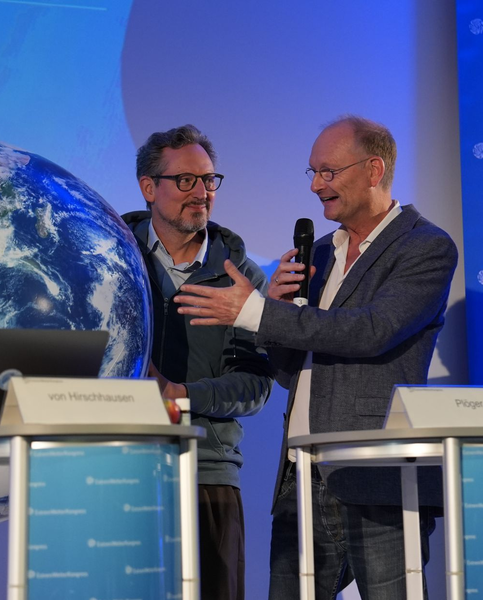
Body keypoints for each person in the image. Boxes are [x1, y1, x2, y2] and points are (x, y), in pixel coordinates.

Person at [174, 116, 458, 599]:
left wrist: (259, 313)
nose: (317, 186)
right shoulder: (320, 252)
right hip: (302, 473)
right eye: (312, 173)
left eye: (328, 171)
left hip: (381, 474)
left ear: (373, 170)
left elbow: (372, 331)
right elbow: (294, 371)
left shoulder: (424, 246)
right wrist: (280, 313)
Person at [121, 124, 273, 600]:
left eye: (208, 181)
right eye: (185, 180)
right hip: (116, 466)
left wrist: (182, 396)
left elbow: (255, 385)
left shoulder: (239, 276)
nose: (201, 192)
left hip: (207, 471)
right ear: (149, 187)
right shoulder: (110, 257)